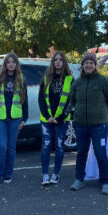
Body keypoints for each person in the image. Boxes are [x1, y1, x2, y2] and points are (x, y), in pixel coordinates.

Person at [69, 52, 108, 195]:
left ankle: (105, 182)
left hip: (99, 125)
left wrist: (103, 113)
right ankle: (79, 179)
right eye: (86, 63)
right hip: (81, 124)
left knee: (100, 153)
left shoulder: (103, 81)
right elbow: (73, 100)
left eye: (91, 63)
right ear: (82, 65)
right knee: (81, 153)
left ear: (95, 65)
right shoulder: (77, 82)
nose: (88, 65)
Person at [0, 52, 28, 185]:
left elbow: (25, 100)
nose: (11, 64)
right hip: (0, 118)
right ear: (5, 64)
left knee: (11, 148)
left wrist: (25, 119)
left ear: (16, 64)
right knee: (1, 147)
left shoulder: (21, 78)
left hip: (16, 118)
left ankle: (8, 174)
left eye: (13, 62)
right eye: (8, 62)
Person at [38, 51, 74, 186]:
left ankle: (56, 173)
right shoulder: (46, 78)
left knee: (59, 146)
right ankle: (45, 174)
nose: (58, 62)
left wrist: (60, 117)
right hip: (46, 119)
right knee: (46, 145)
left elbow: (71, 101)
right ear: (52, 62)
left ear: (64, 62)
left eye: (60, 60)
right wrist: (48, 117)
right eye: (55, 60)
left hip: (62, 120)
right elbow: (41, 99)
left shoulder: (70, 79)